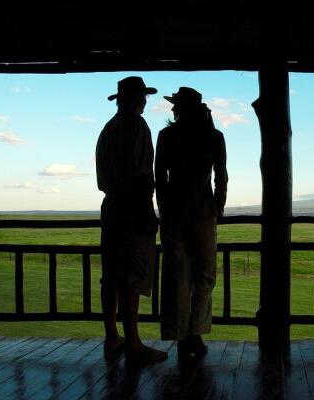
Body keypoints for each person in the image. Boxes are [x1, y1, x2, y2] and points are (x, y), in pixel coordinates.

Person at [96, 76, 167, 363]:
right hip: (132, 207)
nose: (144, 101)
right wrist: (147, 211)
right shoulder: (136, 125)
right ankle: (134, 342)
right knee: (132, 274)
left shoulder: (109, 128)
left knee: (111, 274)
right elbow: (139, 174)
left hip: (111, 206)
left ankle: (112, 335)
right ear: (135, 98)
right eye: (142, 96)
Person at [155, 87, 227, 358]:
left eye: (175, 106)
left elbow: (160, 177)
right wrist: (218, 206)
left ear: (180, 109)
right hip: (204, 214)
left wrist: (163, 208)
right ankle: (195, 332)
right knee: (205, 275)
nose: (172, 110)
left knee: (177, 276)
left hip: (174, 215)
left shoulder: (167, 136)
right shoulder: (214, 136)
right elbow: (221, 176)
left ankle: (182, 335)